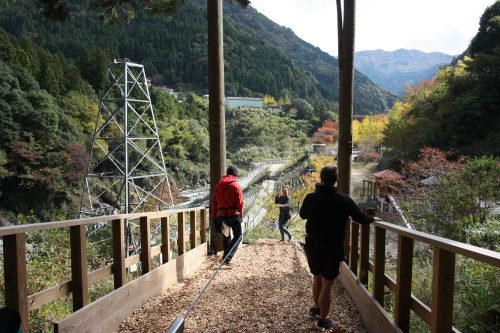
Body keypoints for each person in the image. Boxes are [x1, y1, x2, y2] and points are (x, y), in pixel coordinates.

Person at [299, 165, 380, 331]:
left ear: (321, 178)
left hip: (313, 244)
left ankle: (316, 310)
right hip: (332, 246)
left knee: (317, 277)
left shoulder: (311, 197)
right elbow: (360, 217)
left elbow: (302, 215)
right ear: (335, 180)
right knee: (328, 283)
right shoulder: (344, 199)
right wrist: (372, 218)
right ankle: (323, 320)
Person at [211, 165, 244, 264]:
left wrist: (214, 216)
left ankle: (225, 257)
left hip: (222, 216)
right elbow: (240, 203)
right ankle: (227, 257)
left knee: (226, 236)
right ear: (235, 174)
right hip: (233, 215)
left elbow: (214, 203)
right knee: (238, 236)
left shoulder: (218, 186)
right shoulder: (235, 185)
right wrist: (241, 215)